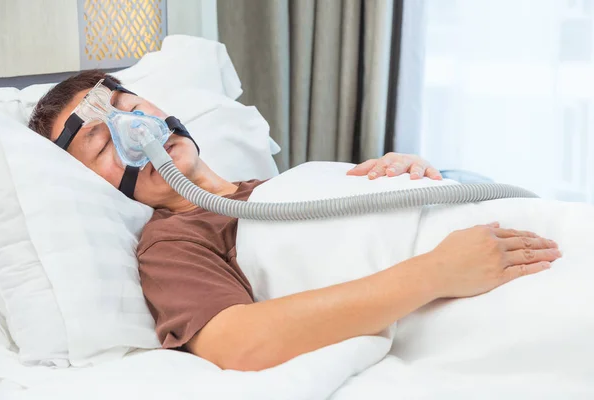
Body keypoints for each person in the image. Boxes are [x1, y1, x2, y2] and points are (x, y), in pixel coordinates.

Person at [28, 70, 561, 371]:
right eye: (102, 144)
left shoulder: (274, 188)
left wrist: (411, 177)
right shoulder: (171, 243)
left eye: (129, 106)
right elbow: (237, 343)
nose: (134, 131)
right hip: (485, 290)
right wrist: (437, 271)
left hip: (515, 229)